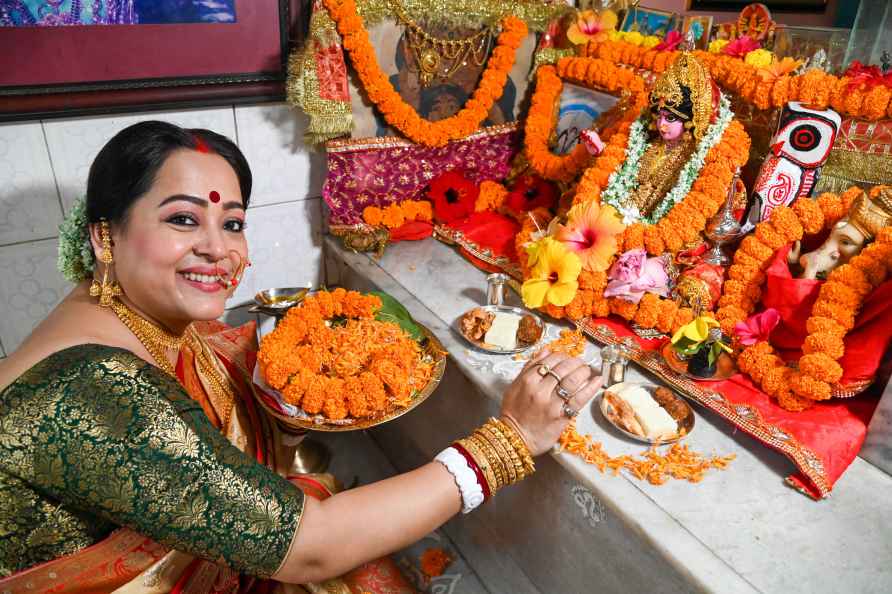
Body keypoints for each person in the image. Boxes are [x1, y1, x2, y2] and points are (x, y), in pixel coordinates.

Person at [0, 121, 601, 592]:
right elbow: (310, 547)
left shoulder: (123, 316)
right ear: (105, 237)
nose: (217, 249)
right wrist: (510, 440)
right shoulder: (91, 384)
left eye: (232, 223)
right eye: (183, 219)